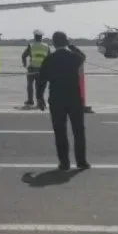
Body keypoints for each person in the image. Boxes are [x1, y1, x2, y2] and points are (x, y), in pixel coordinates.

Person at [36, 31, 90, 170]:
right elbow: (83, 56)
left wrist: (39, 98)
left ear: (53, 43)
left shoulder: (49, 59)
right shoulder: (74, 57)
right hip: (74, 98)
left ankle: (64, 163)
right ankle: (81, 161)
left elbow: (41, 80)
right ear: (66, 41)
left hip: (56, 99)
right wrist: (71, 46)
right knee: (78, 131)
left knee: (60, 131)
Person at [21, 30, 50, 107]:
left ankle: (30, 100)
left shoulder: (31, 45)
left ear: (34, 37)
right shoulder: (46, 46)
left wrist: (24, 64)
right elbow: (50, 58)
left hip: (32, 68)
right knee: (39, 86)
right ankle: (40, 101)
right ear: (41, 37)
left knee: (30, 85)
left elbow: (23, 55)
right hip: (42, 69)